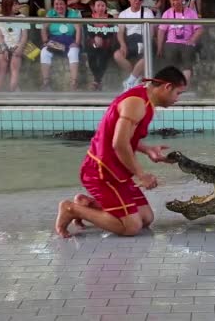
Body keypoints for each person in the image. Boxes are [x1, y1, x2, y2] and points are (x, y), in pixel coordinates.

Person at [55, 66, 188, 238]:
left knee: (146, 218)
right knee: (131, 227)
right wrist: (141, 175)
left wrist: (147, 149)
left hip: (117, 171)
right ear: (167, 87)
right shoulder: (136, 103)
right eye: (178, 93)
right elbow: (119, 143)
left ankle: (86, 204)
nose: (177, 99)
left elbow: (124, 137)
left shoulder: (145, 98)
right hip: (101, 171)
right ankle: (71, 209)